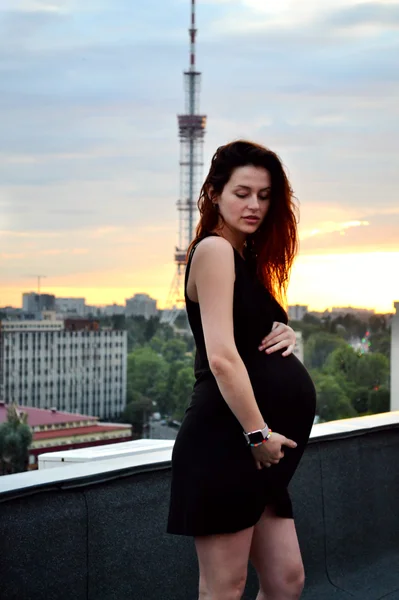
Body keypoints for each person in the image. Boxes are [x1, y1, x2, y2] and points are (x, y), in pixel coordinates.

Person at [167, 140, 316, 600]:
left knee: (285, 581)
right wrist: (257, 434)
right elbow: (221, 357)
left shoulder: (246, 259)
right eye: (242, 192)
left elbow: (252, 340)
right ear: (214, 193)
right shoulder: (213, 250)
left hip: (258, 450)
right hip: (229, 441)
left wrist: (289, 335)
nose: (254, 205)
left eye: (265, 195)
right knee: (224, 588)